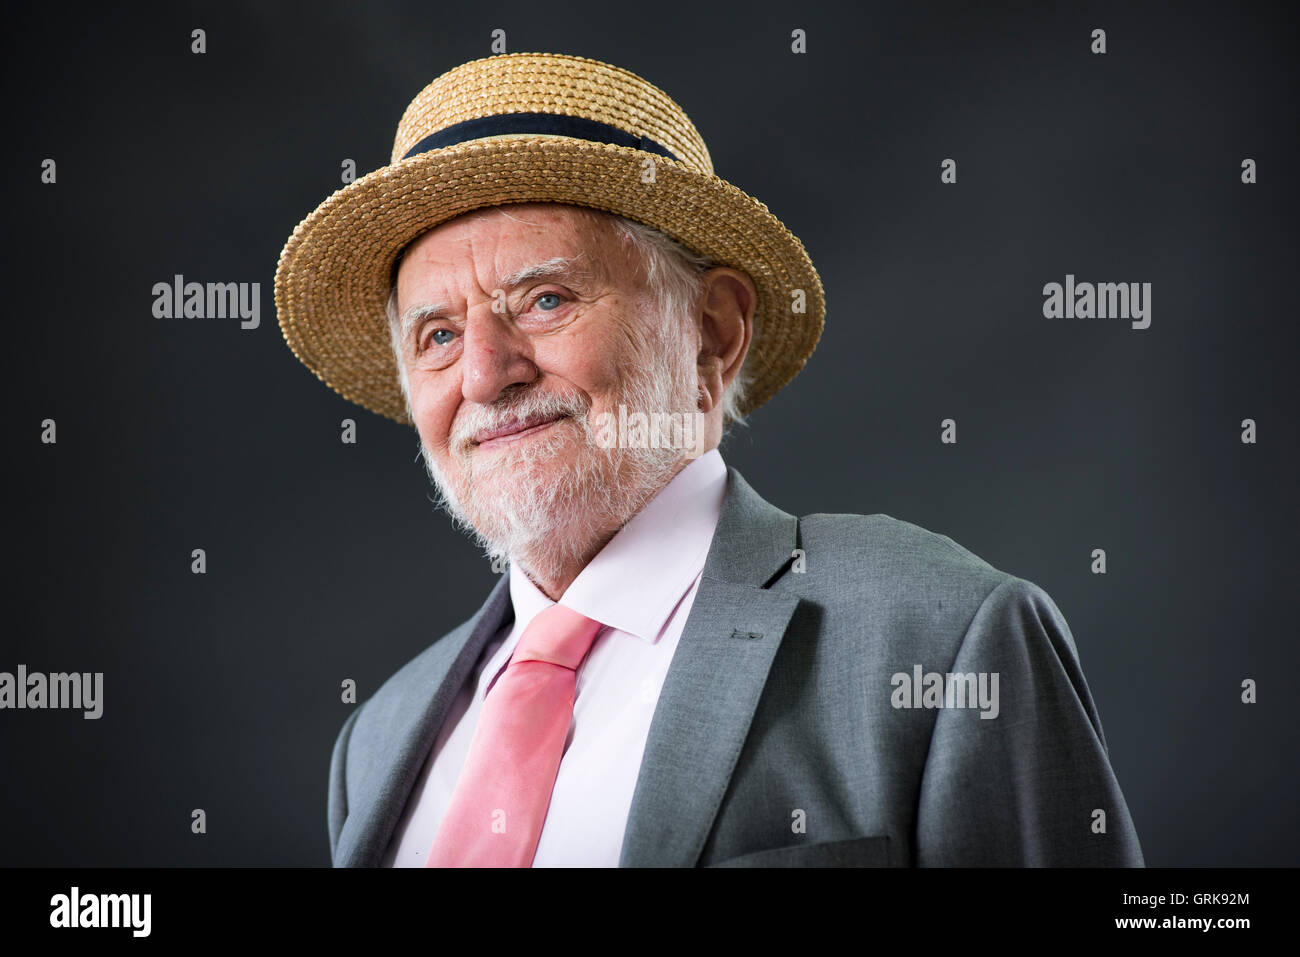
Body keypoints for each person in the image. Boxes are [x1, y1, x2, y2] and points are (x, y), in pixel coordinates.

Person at [275, 51, 1144, 867]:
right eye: (437, 334)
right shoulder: (377, 743)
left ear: (712, 332)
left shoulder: (947, 641)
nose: (483, 374)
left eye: (544, 299)